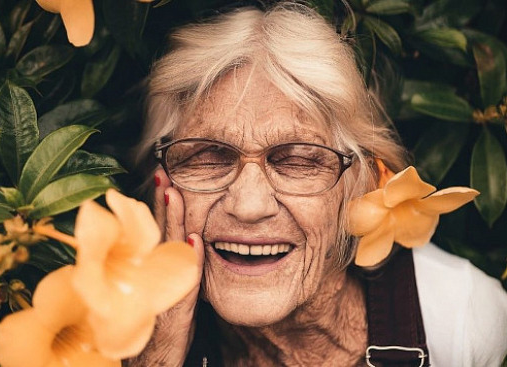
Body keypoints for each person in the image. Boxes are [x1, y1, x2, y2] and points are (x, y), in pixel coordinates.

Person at [129, 2, 507, 366]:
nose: (248, 205)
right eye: (208, 156)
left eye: (298, 160)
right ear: (161, 179)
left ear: (358, 183)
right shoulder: (112, 326)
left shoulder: (464, 317)